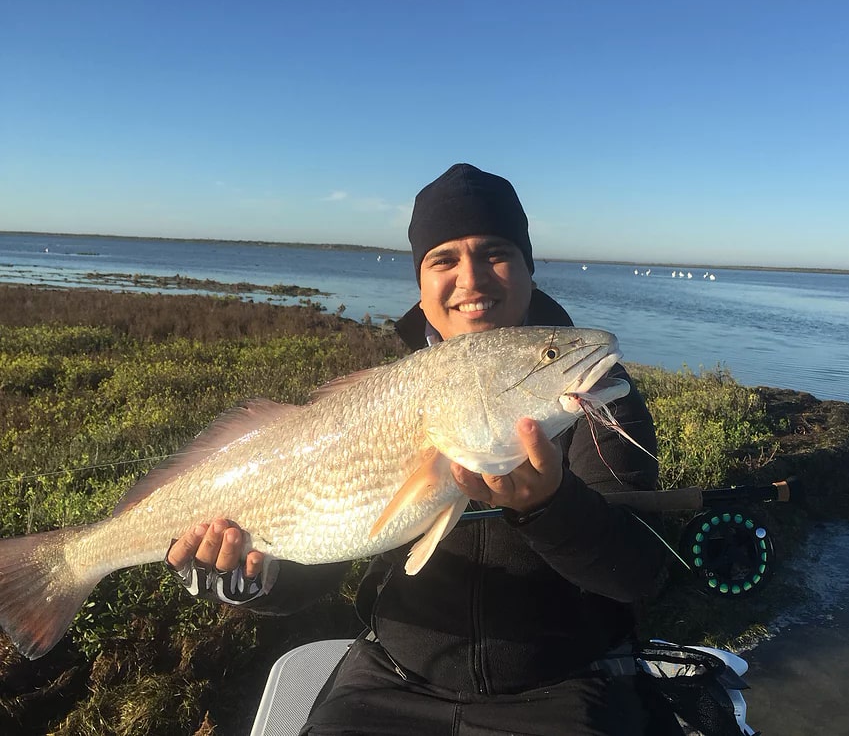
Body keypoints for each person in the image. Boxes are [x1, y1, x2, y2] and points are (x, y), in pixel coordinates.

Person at [167, 163, 675, 735]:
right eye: (444, 259)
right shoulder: (383, 397)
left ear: (529, 269)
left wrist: (552, 507)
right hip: (392, 678)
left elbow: (639, 573)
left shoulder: (593, 397)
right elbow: (321, 558)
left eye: (496, 252)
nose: (472, 278)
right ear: (420, 281)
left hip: (563, 686)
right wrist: (245, 577)